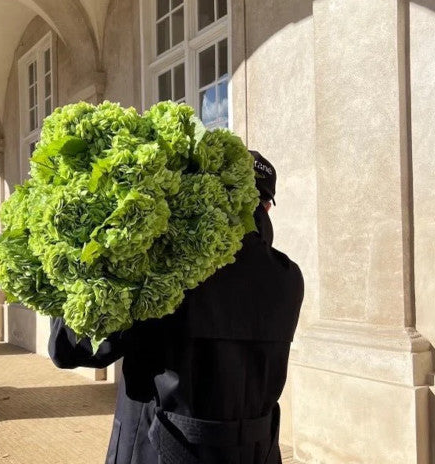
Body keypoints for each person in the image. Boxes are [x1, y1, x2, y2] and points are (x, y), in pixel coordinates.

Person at [49, 151, 304, 464]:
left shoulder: (166, 269)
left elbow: (72, 349)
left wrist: (80, 267)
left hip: (159, 451)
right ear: (265, 207)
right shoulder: (289, 278)